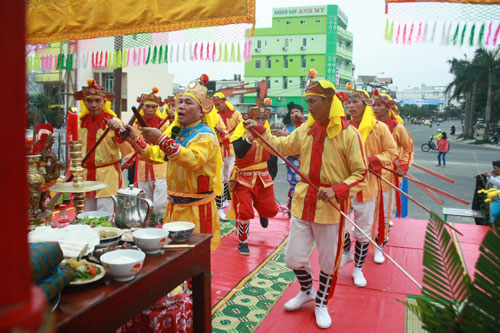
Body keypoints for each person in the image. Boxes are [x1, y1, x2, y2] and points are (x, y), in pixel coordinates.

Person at [244, 78, 367, 329]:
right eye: (307, 101)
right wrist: (261, 131)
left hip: (331, 208)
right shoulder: (305, 130)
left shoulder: (348, 134)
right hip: (303, 202)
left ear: (328, 101)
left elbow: (361, 173)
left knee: (327, 262)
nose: (308, 107)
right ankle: (307, 291)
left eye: (312, 101)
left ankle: (321, 302)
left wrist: (336, 189)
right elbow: (281, 147)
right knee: (293, 258)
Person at [106, 75, 222, 251]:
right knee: (174, 254)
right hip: (175, 206)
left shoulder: (206, 136)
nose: (181, 106)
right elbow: (155, 155)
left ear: (201, 111)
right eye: (180, 101)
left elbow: (192, 160)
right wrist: (133, 139)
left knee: (197, 257)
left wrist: (160, 139)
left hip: (197, 210)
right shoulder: (176, 133)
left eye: (188, 102)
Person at [339, 87, 398, 287]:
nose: (350, 106)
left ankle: (358, 269)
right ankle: (346, 253)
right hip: (345, 184)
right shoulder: (343, 126)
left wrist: (371, 160)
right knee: (340, 225)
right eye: (348, 103)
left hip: (368, 184)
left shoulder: (379, 128)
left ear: (366, 104)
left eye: (355, 102)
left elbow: (392, 152)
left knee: (363, 231)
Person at [74, 78, 133, 216]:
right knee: (86, 216)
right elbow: (75, 152)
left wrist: (119, 132)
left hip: (107, 177)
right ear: (84, 102)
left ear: (104, 102)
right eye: (89, 101)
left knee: (105, 217)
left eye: (97, 100)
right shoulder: (79, 123)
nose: (93, 105)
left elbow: (128, 150)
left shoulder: (114, 122)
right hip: (85, 177)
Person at [226, 101, 279, 255]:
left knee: (271, 210)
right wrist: (249, 138)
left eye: (263, 119)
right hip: (243, 179)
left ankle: (263, 212)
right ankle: (243, 240)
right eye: (257, 118)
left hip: (264, 178)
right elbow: (240, 153)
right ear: (248, 119)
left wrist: (272, 176)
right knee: (245, 210)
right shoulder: (240, 134)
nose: (261, 122)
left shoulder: (267, 135)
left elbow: (273, 160)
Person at [371, 91, 413, 263]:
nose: (375, 108)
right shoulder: (368, 125)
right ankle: (362, 245)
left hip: (388, 176)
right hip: (367, 176)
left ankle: (380, 244)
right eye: (373, 105)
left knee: (384, 213)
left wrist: (403, 166)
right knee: (365, 212)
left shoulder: (397, 128)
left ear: (387, 108)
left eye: (379, 105)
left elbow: (408, 147)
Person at [122, 87, 170, 215]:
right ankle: (148, 226)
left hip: (160, 167)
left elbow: (167, 142)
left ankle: (161, 225)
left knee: (161, 202)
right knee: (145, 201)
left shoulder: (164, 124)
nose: (150, 109)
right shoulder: (135, 124)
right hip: (142, 166)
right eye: (147, 106)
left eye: (154, 107)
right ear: (142, 107)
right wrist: (128, 158)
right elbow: (130, 144)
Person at [271, 101, 306, 216]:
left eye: (297, 112)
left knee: (304, 185)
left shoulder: (307, 126)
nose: (294, 114)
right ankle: (292, 208)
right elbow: (286, 145)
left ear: (302, 113)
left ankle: (302, 208)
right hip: (292, 160)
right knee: (294, 185)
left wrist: (286, 136)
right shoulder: (288, 127)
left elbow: (304, 142)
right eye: (292, 113)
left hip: (305, 160)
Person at [213, 92, 243, 220]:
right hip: (219, 149)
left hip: (231, 149)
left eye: (219, 104)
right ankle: (222, 202)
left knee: (230, 175)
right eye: (216, 105)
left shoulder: (236, 114)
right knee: (220, 177)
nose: (218, 107)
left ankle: (233, 203)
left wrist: (232, 138)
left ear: (224, 102)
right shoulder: (214, 116)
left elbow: (242, 128)